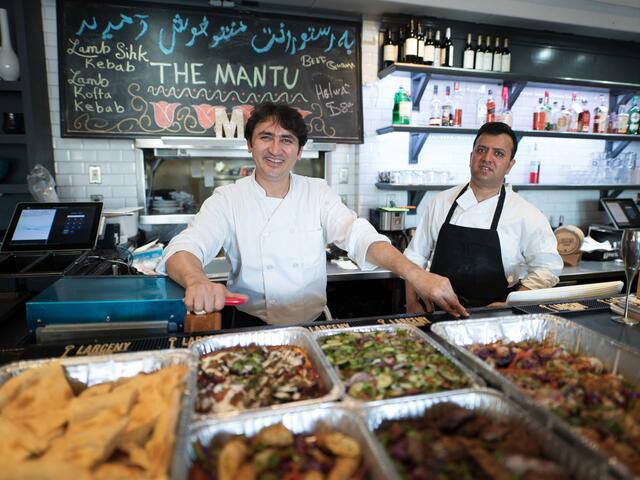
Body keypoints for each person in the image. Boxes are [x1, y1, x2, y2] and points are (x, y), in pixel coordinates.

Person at [158, 103, 467, 326]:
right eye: (266, 137)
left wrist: (415, 273)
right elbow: (184, 247)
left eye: (287, 140)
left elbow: (359, 235)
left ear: (299, 150)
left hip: (314, 326)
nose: (275, 149)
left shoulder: (317, 192)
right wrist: (197, 279)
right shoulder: (228, 198)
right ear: (251, 144)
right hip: (248, 326)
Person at [404, 122, 563, 311]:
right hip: (437, 311)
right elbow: (414, 257)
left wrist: (511, 304)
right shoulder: (441, 202)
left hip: (495, 317)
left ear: (510, 165)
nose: (487, 158)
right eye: (481, 150)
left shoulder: (527, 214)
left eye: (498, 153)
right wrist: (412, 303)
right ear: (471, 157)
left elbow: (547, 268)